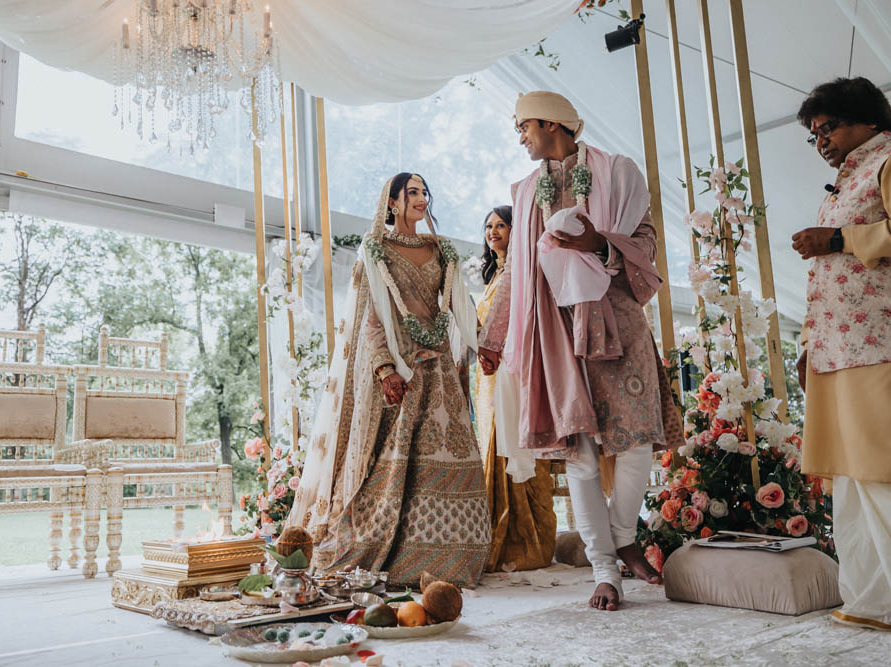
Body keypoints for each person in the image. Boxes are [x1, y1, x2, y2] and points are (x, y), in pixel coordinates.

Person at [478, 91, 684, 611]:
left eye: (522, 125)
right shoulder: (525, 191)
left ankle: (622, 534)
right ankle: (604, 570)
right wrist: (495, 341)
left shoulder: (616, 172)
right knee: (581, 455)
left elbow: (648, 245)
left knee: (637, 442)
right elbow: (517, 274)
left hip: (617, 318)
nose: (519, 135)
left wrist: (598, 244)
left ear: (551, 123)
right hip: (554, 328)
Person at [288, 173, 490, 588]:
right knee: (398, 462)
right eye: (412, 192)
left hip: (439, 369)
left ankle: (455, 559)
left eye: (423, 192)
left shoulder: (441, 249)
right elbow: (371, 317)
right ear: (393, 202)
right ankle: (404, 557)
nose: (421, 198)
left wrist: (484, 344)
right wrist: (384, 368)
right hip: (402, 364)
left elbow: (459, 308)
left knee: (455, 457)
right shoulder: (375, 250)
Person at [791, 76, 891, 631]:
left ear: (870, 120)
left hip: (878, 342)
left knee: (880, 467)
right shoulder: (845, 180)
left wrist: (837, 240)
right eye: (815, 134)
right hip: (837, 347)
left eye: (830, 127)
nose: (822, 140)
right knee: (850, 476)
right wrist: (809, 346)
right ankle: (871, 600)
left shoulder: (887, 160)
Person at [474, 205, 557, 572]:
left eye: (501, 225)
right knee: (492, 450)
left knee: (519, 447)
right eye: (489, 226)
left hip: (516, 373)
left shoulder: (523, 274)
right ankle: (496, 538)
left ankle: (529, 543)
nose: (494, 231)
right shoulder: (494, 277)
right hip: (490, 380)